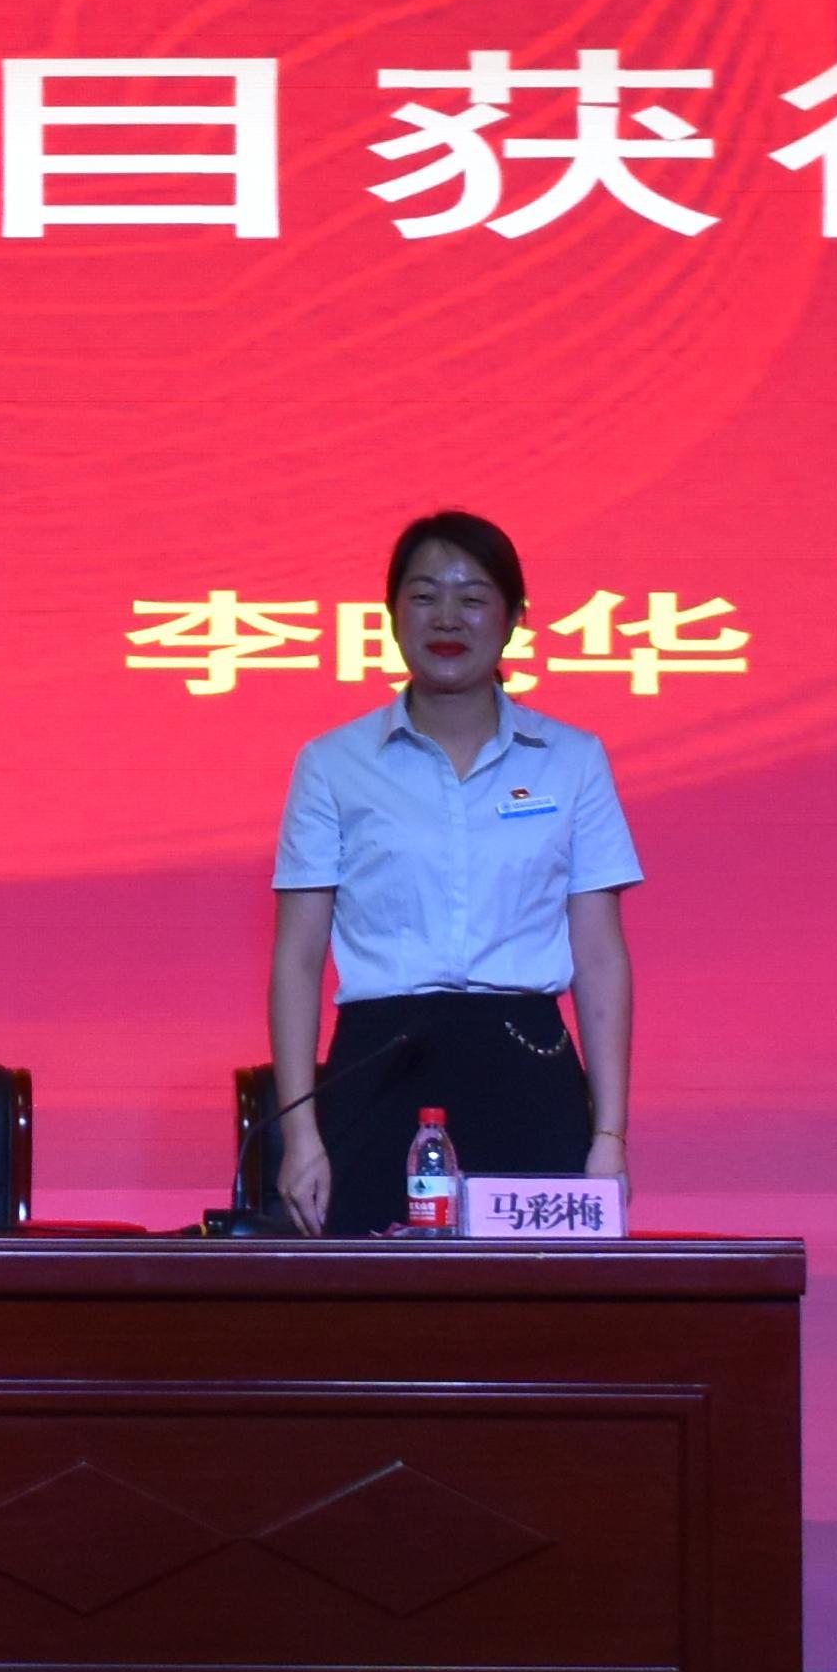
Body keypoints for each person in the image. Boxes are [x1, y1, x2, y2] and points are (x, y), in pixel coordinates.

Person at [267, 510, 639, 1235]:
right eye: (424, 595)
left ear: (513, 619)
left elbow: (599, 956)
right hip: (378, 1068)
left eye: (472, 598)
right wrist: (301, 1136)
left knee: (534, 1299)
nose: (446, 618)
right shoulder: (333, 764)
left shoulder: (572, 760)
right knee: (373, 1299)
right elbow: (297, 958)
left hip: (528, 1065)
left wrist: (610, 1136)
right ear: (390, 614)